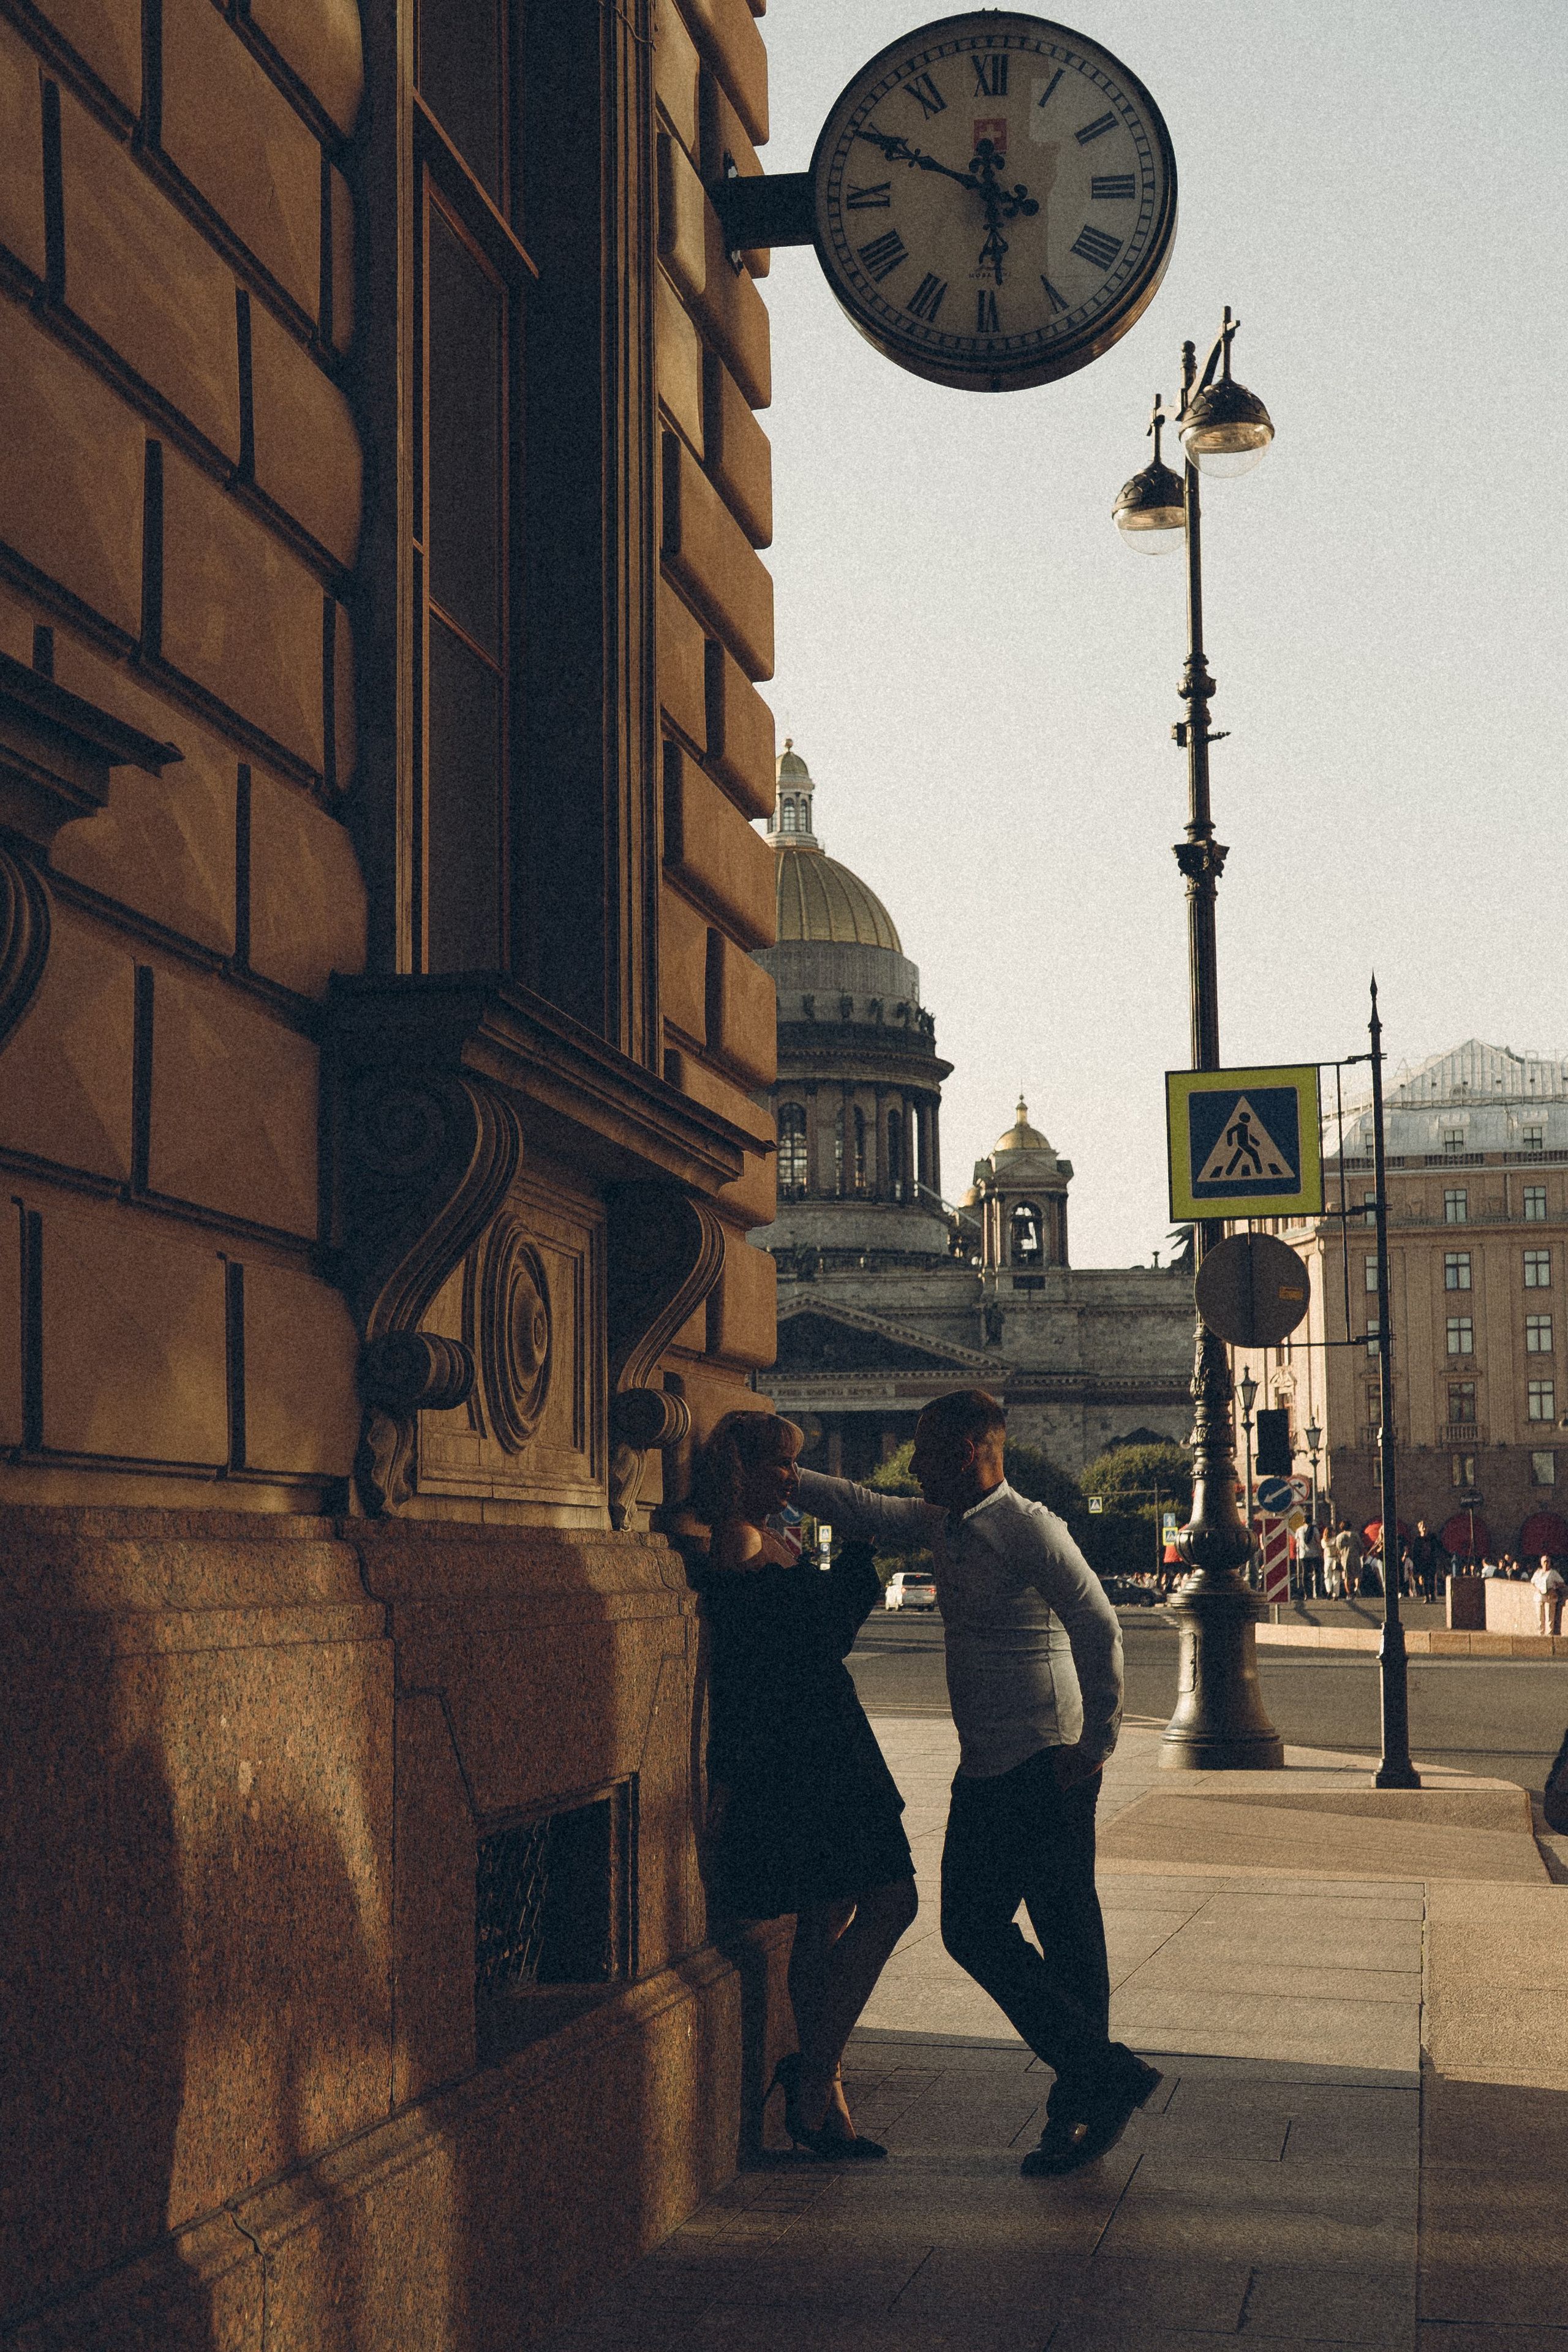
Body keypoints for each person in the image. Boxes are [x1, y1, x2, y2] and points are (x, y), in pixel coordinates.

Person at [794, 1388, 1161, 2179]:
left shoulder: (1026, 1526)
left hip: (1048, 1759)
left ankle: (1081, 2105)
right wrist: (781, 1477)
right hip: (985, 1766)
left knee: (1066, 1934)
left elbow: (1099, 1622)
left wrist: (1098, 1741)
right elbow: (862, 1505)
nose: (916, 1465)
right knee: (969, 1927)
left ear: (966, 1452)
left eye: (926, 1451)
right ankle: (1102, 2072)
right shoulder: (944, 1519)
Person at [690, 1411, 917, 2160]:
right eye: (780, 1463)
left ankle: (821, 2096)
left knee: (827, 1917)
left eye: (794, 1463)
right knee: (891, 1900)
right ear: (740, 1469)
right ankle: (814, 2074)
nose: (792, 1477)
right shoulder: (743, 1540)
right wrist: (858, 1555)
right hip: (812, 1750)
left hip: (808, 1743)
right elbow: (813, 1639)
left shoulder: (753, 1537)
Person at [1410, 1520, 1446, 1603]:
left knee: (1432, 1579)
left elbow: (1436, 1549)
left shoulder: (1432, 1538)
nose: (1425, 1529)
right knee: (1425, 1579)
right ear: (1420, 1529)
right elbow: (1415, 1553)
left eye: (1426, 1527)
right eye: (1423, 1527)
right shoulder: (1418, 1540)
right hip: (1423, 1562)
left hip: (1431, 1561)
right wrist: (1417, 1565)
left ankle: (1433, 1595)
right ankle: (1426, 1596)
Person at [1532, 1555, 1566, 1635]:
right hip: (1539, 1597)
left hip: (1550, 1598)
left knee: (1549, 1619)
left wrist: (1554, 1588)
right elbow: (1532, 1583)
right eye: (1544, 1562)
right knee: (1540, 1618)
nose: (1546, 1564)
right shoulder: (1538, 1573)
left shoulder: (1553, 1573)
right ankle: (1540, 1635)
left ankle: (1549, 1636)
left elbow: (1562, 1583)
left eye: (1548, 1562)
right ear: (1541, 1563)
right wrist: (1537, 1590)